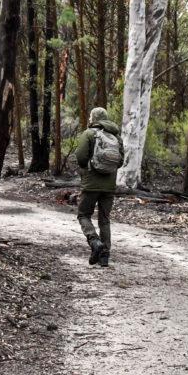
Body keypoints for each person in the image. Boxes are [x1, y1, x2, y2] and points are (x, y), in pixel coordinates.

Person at [74, 107, 123, 267]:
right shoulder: (116, 136)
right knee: (105, 220)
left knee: (83, 215)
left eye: (90, 116)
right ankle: (104, 256)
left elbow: (81, 157)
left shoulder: (88, 134)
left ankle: (95, 243)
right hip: (109, 185)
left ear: (94, 118)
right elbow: (120, 161)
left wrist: (88, 167)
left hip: (91, 183)